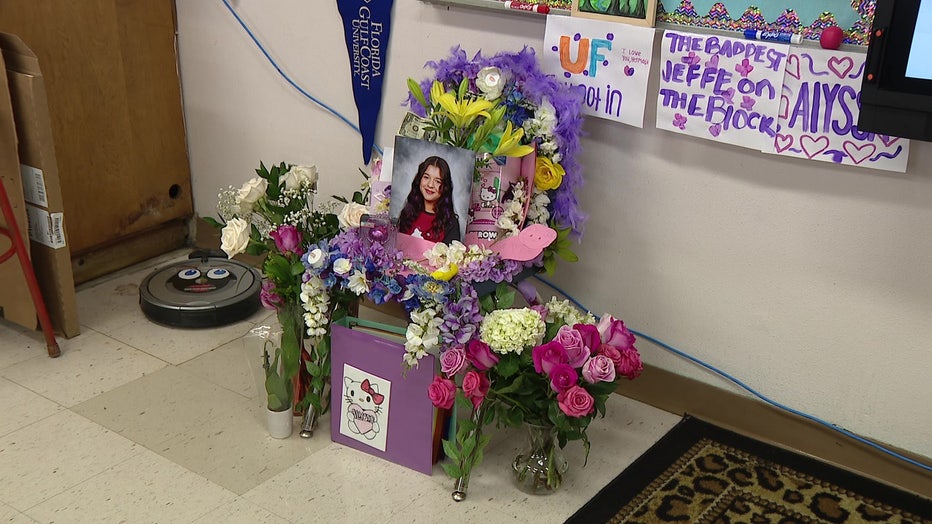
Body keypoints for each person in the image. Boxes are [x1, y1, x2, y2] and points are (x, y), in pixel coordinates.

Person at [398, 156, 461, 243]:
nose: (430, 185)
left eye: (438, 181)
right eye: (426, 177)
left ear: (445, 187)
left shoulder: (450, 222)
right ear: (419, 179)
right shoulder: (407, 213)